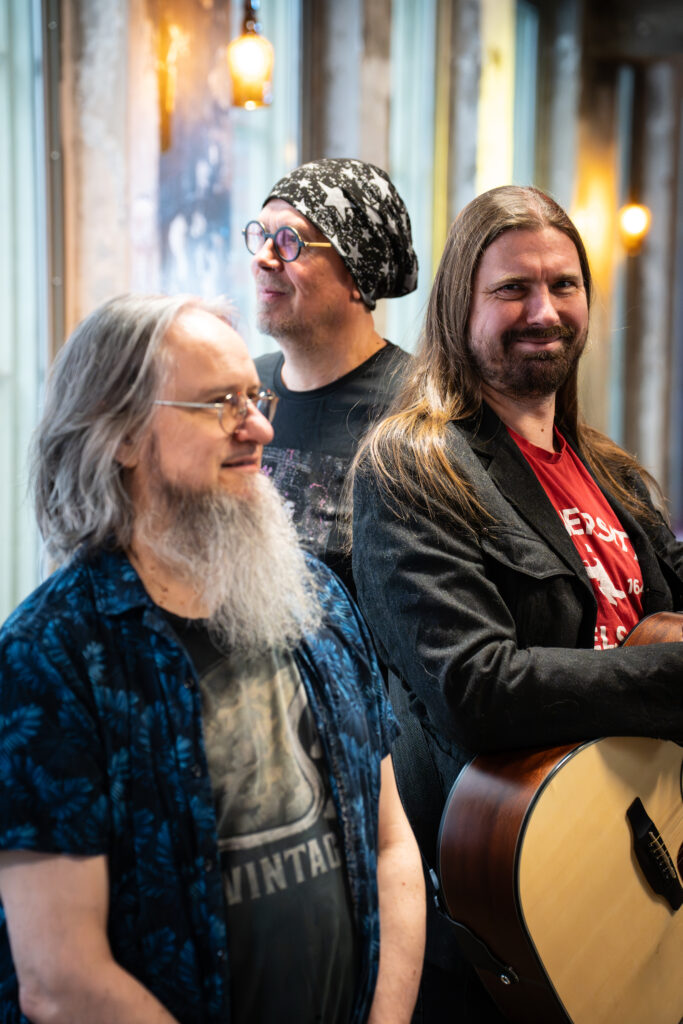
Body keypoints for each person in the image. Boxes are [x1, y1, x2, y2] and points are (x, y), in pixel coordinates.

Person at [0, 294, 425, 1024]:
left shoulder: (316, 598)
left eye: (255, 398)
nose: (259, 427)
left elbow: (391, 847)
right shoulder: (49, 656)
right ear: (121, 433)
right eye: (220, 403)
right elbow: (61, 977)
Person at [350, 185, 683, 1022]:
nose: (544, 311)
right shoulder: (414, 466)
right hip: (511, 895)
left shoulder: (611, 473)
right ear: (458, 306)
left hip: (635, 857)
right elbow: (475, 687)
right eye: (512, 289)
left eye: (563, 285)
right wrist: (665, 669)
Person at [245, 157, 418, 592]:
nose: (262, 258)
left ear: (359, 272)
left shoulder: (419, 405)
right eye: (261, 236)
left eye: (290, 241)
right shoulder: (241, 390)